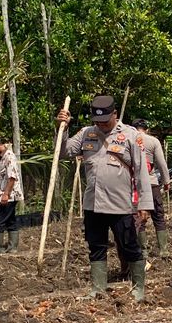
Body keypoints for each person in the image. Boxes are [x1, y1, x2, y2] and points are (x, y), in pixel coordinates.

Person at [57, 95, 154, 301]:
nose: (100, 124)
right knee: (96, 245)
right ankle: (97, 289)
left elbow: (141, 173)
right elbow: (64, 152)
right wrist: (63, 129)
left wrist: (144, 205)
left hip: (120, 205)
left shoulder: (131, 136)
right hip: (93, 203)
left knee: (129, 245)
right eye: (97, 121)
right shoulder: (86, 133)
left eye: (105, 120)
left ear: (115, 115)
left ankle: (138, 290)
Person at [132, 118, 172, 258]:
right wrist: (166, 181)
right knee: (158, 216)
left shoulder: (130, 139)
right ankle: (163, 250)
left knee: (139, 218)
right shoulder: (153, 141)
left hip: (135, 184)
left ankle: (143, 251)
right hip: (151, 182)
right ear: (147, 129)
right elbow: (161, 163)